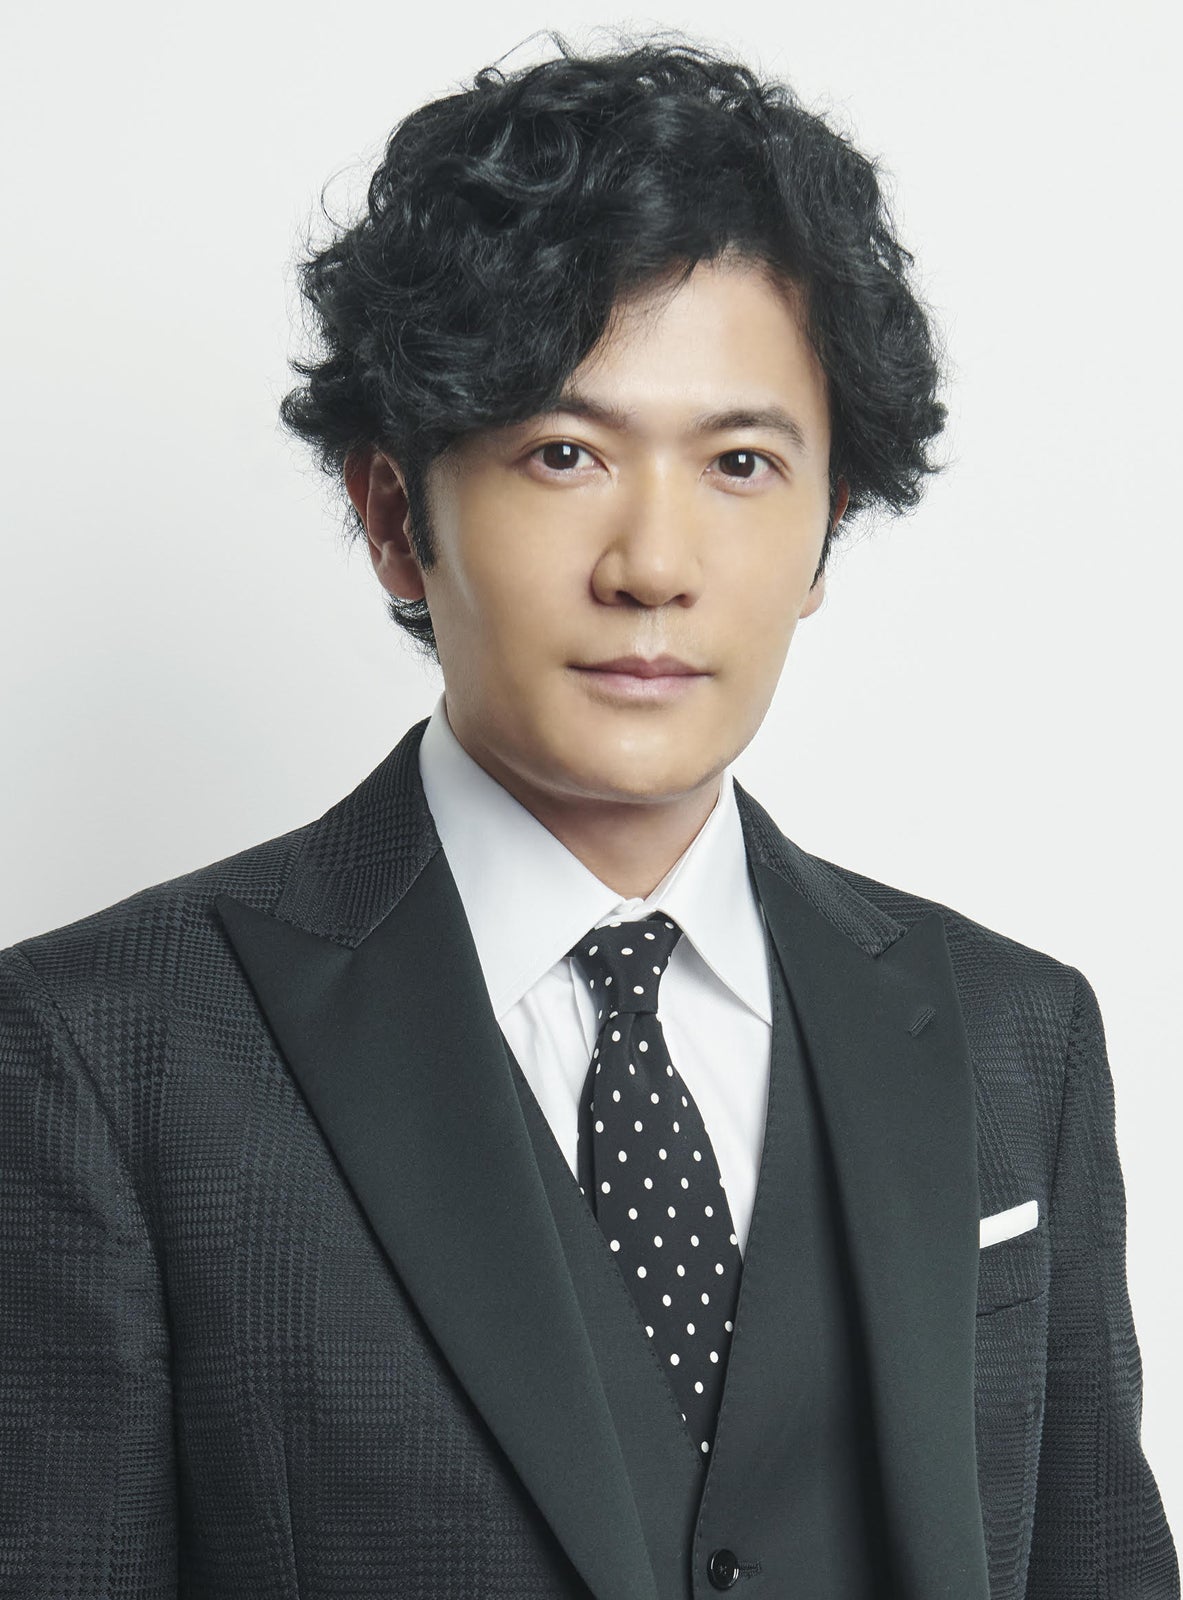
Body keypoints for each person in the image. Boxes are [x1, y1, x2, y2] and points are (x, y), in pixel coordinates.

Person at [0, 30, 1176, 1600]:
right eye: (564, 453)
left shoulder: (1019, 1037)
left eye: (742, 463)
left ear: (827, 531)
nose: (654, 565)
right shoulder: (95, 1054)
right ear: (394, 517)